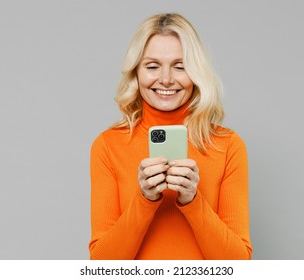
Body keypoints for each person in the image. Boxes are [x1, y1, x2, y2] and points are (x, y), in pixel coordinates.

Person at [89, 13, 252, 260]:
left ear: (196, 73)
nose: (166, 79)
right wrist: (145, 199)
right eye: (152, 66)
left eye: (180, 66)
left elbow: (238, 263)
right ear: (136, 73)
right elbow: (102, 264)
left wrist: (192, 201)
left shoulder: (227, 145)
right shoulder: (108, 145)